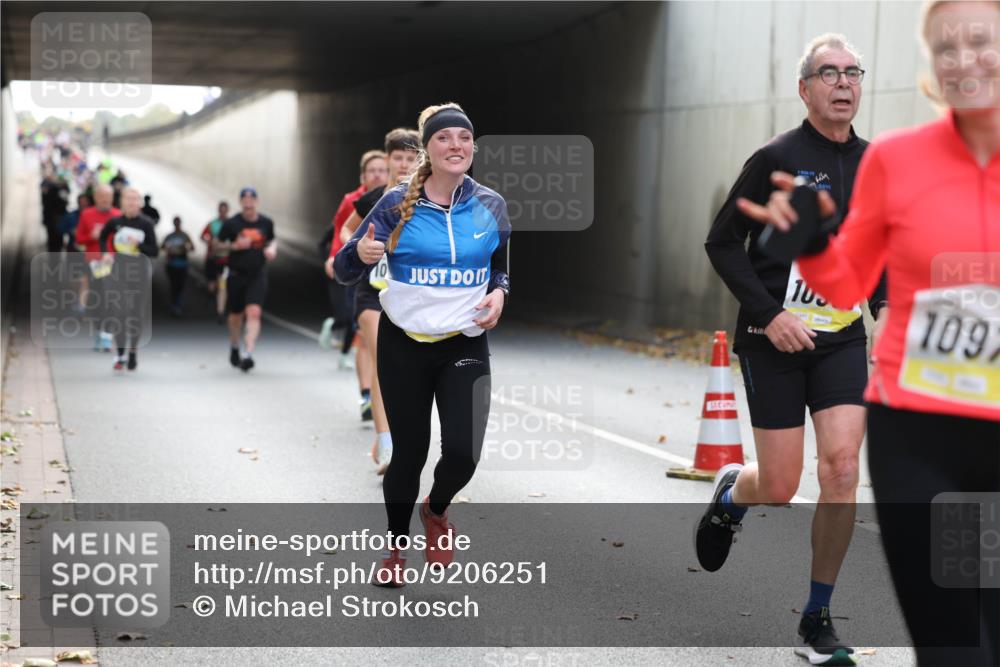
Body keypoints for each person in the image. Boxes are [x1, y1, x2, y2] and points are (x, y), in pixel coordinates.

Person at [740, 2, 1000, 664]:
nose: (965, 57)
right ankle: (817, 616)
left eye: (982, 40)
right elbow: (846, 280)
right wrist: (811, 243)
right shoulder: (898, 161)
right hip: (919, 432)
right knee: (954, 644)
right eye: (947, 46)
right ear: (932, 67)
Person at [700, 33, 888, 666]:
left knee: (840, 469)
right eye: (827, 73)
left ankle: (817, 618)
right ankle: (733, 495)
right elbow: (723, 243)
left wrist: (885, 311)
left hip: (840, 338)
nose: (842, 83)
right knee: (780, 486)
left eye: (852, 73)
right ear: (804, 88)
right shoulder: (775, 158)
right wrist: (769, 313)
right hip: (772, 338)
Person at [335, 103, 510, 587]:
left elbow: (501, 268)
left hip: (465, 342)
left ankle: (435, 511)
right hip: (405, 345)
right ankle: (394, 548)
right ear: (427, 150)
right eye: (444, 138)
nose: (456, 145)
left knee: (464, 452)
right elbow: (346, 270)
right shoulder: (394, 203)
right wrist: (361, 252)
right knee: (409, 455)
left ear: (473, 147)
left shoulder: (491, 204)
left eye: (464, 138)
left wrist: (499, 293)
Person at [338, 130, 419, 466]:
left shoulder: (423, 200)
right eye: (397, 158)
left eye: (410, 158)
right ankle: (386, 441)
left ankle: (390, 435)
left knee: (406, 368)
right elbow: (346, 229)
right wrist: (359, 248)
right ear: (386, 160)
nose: (403, 164)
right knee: (381, 355)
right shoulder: (372, 200)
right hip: (371, 292)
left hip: (406, 295)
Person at [320, 149, 388, 379]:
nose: (377, 175)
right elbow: (339, 229)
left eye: (381, 171)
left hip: (388, 276)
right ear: (363, 176)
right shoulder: (353, 200)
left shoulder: (399, 197)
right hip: (357, 269)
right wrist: (340, 253)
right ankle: (368, 394)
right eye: (372, 171)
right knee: (359, 325)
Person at [98, 187, 158, 371]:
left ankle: (133, 351)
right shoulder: (115, 222)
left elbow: (154, 250)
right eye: (128, 199)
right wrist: (106, 253)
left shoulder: (146, 224)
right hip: (118, 272)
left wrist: (139, 245)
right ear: (122, 201)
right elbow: (102, 237)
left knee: (135, 315)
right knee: (119, 313)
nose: (132, 202)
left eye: (135, 199)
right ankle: (121, 353)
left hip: (138, 272)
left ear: (139, 202)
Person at [217, 187, 276, 372]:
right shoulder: (232, 224)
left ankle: (248, 354)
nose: (248, 201)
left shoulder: (266, 222)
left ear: (257, 201)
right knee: (236, 315)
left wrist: (272, 249)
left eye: (252, 198)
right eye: (245, 198)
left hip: (257, 275)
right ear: (241, 201)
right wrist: (234, 245)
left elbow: (272, 240)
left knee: (254, 312)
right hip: (236, 275)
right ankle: (235, 346)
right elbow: (216, 246)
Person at [75, 184, 121, 352]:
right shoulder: (87, 214)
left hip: (113, 264)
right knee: (96, 300)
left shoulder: (118, 215)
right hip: (93, 264)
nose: (105, 200)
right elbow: (78, 239)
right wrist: (91, 236)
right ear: (95, 198)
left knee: (111, 299)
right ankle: (99, 331)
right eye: (102, 197)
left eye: (108, 197)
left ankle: (107, 335)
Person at [200, 201, 231, 323]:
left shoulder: (232, 224)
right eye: (221, 210)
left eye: (225, 210)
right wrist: (210, 242)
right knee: (212, 285)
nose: (223, 212)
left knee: (223, 285)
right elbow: (203, 236)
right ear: (219, 210)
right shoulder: (212, 224)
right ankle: (211, 294)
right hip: (212, 258)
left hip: (226, 260)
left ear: (227, 210)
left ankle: (220, 312)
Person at [161, 216, 195, 316]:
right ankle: (174, 305)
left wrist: (185, 247)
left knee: (181, 285)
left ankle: (178, 304)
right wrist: (169, 248)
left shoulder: (185, 236)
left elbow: (192, 247)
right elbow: (162, 246)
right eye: (175, 223)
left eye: (178, 223)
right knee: (173, 285)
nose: (177, 224)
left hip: (182, 263)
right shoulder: (170, 236)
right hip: (171, 263)